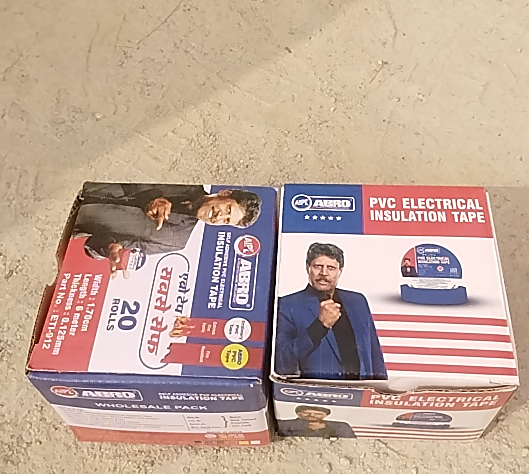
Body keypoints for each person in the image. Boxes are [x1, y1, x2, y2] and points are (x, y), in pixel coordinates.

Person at [74, 183, 262, 273]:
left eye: (226, 221)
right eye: (227, 209)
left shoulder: (174, 241)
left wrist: (109, 248)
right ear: (225, 193)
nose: (219, 217)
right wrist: (153, 198)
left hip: (71, 221)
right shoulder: (185, 176)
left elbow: (93, 246)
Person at [275, 242, 387, 380]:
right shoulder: (286, 304)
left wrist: (381, 387)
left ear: (340, 271)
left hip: (360, 388)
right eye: (318, 266)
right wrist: (320, 326)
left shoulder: (358, 301)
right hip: (316, 390)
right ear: (308, 268)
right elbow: (281, 360)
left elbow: (374, 353)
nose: (324, 273)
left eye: (331, 268)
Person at [278, 405, 356, 438]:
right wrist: (307, 427)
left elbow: (349, 439)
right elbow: (281, 434)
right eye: (306, 413)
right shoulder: (285, 423)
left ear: (325, 415)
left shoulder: (341, 426)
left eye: (318, 414)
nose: (312, 415)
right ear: (298, 413)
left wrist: (325, 428)